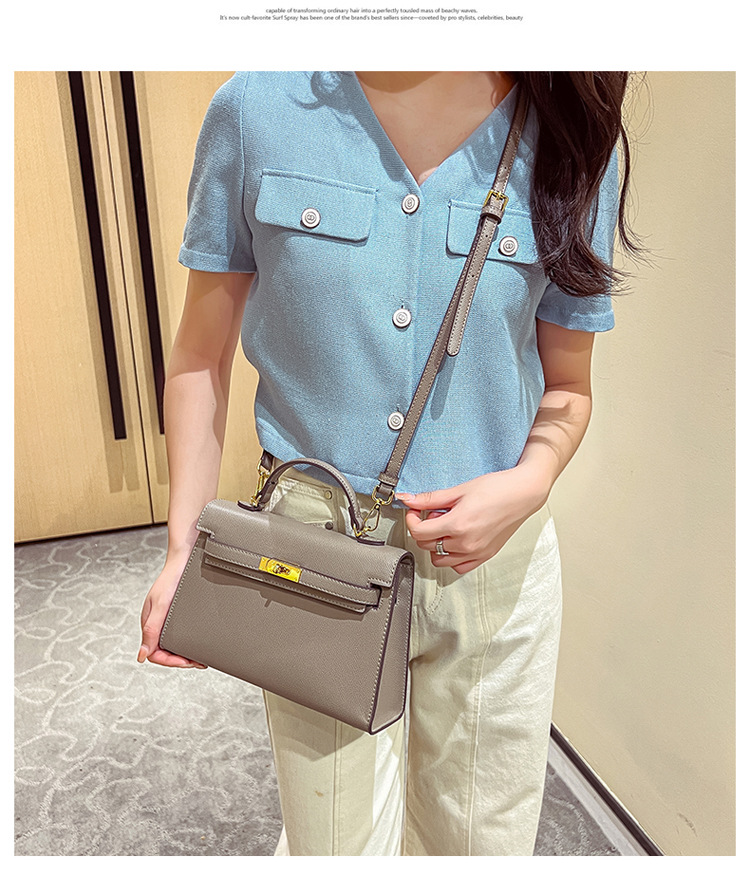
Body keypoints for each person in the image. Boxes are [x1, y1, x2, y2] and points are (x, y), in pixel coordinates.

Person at [138, 71, 638, 856]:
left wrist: (531, 481)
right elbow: (200, 355)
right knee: (334, 844)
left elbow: (569, 389)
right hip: (311, 566)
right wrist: (180, 551)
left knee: (479, 845)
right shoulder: (255, 110)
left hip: (493, 572)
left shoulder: (570, 136)